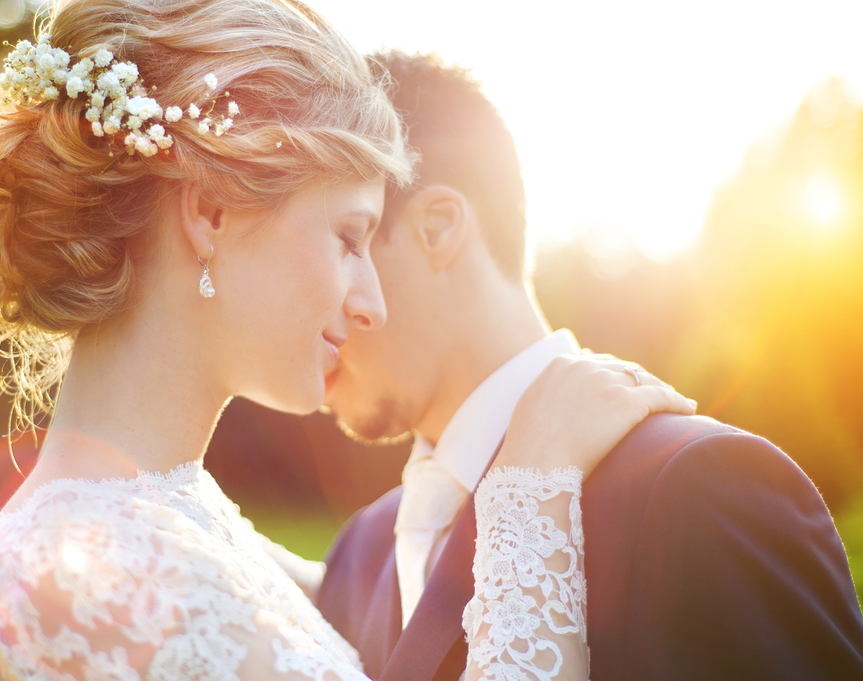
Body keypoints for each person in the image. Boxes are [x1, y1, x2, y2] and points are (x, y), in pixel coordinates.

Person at [0, 1, 696, 679]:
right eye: (350, 237)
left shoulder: (174, 517)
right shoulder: (85, 571)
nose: (373, 302)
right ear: (212, 212)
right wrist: (532, 478)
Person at [318, 50, 863, 681]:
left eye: (345, 243)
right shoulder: (359, 553)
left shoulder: (698, 486)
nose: (311, 310)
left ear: (437, 229)